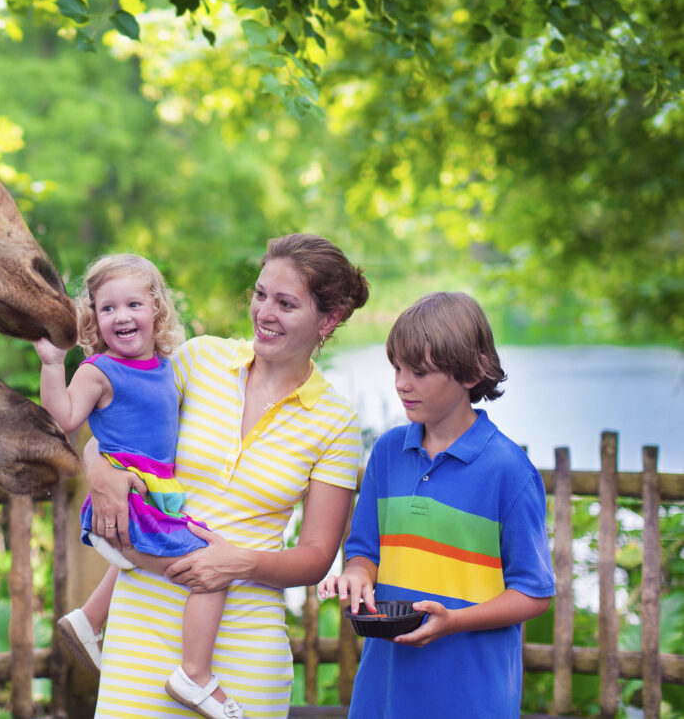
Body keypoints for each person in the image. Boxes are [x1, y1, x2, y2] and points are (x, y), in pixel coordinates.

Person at [83, 234, 370, 719]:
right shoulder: (199, 361)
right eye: (260, 295)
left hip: (245, 648)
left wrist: (237, 563)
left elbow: (317, 557)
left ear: (329, 319)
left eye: (285, 303)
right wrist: (98, 470)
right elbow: (117, 432)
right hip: (142, 631)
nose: (264, 313)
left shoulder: (336, 421)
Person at [317, 291, 555, 718]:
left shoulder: (509, 471)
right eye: (397, 368)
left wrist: (455, 621)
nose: (402, 383)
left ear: (471, 373)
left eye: (420, 372)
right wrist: (355, 575)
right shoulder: (388, 453)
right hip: (384, 693)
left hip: (471, 698)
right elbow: (364, 550)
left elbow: (533, 594)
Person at [34, 254, 246, 716]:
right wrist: (53, 363)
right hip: (128, 506)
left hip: (157, 500)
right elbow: (66, 419)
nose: (122, 316)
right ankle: (194, 676)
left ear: (157, 310)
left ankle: (89, 620)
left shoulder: (168, 365)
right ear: (93, 318)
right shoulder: (98, 370)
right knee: (213, 570)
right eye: (108, 308)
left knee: (192, 554)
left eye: (133, 304)